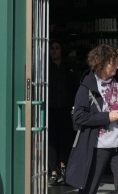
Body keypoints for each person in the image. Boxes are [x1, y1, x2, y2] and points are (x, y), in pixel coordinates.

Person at [65, 44, 118, 194]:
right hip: (98, 146)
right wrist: (107, 117)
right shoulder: (87, 86)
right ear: (101, 63)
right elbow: (79, 116)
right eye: (113, 63)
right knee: (89, 188)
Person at [48, 41, 75, 185]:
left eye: (57, 48)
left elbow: (74, 88)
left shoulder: (68, 68)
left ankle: (63, 167)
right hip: (50, 109)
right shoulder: (46, 69)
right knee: (52, 141)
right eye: (52, 48)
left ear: (62, 51)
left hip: (65, 109)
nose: (54, 51)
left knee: (65, 140)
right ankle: (53, 171)